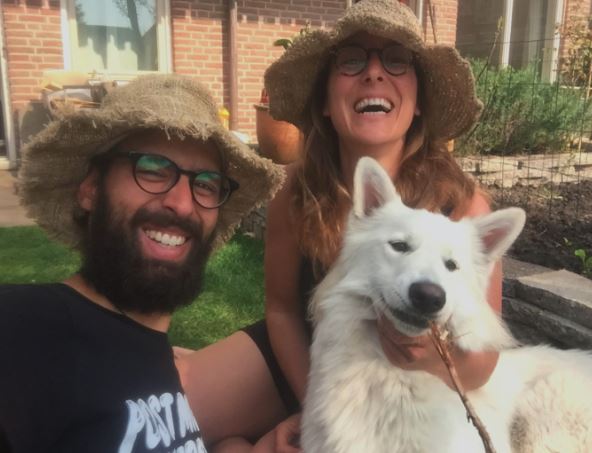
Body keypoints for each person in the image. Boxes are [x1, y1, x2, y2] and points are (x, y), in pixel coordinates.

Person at [179, 0, 501, 450]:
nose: (373, 73)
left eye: (396, 60)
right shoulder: (297, 189)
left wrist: (427, 357)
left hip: (401, 376)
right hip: (301, 351)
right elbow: (283, 310)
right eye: (352, 60)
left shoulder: (462, 207)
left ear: (419, 104)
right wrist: (315, 405)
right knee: (165, 409)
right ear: (327, 103)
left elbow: (483, 363)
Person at [0, 74, 284, 453]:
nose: (182, 204)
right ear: (91, 189)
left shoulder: (153, 355)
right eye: (152, 169)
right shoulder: (23, 327)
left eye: (205, 184)